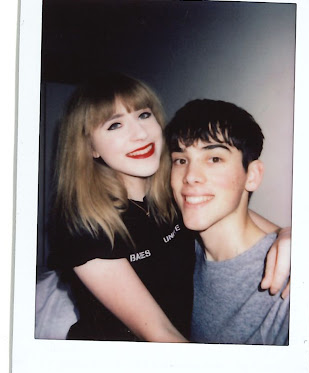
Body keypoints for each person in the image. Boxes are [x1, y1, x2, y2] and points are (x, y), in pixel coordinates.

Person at [47, 73, 289, 342]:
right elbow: (159, 332)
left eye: (143, 115)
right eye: (115, 125)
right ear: (91, 147)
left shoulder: (176, 187)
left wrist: (289, 234)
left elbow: (235, 209)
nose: (140, 134)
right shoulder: (84, 226)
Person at [165, 99, 290, 345]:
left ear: (251, 176)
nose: (190, 177)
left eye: (214, 159)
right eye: (181, 160)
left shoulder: (286, 284)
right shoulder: (179, 246)